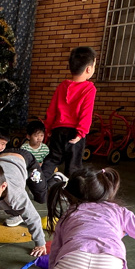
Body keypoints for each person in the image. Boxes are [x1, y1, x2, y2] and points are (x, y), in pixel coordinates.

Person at [43, 46, 97, 178]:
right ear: (88, 69)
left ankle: (39, 182)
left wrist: (48, 128)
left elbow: (51, 110)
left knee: (52, 159)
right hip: (74, 133)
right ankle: (71, 189)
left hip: (58, 130)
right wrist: (81, 133)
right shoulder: (89, 88)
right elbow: (86, 113)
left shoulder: (62, 86)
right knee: (73, 166)